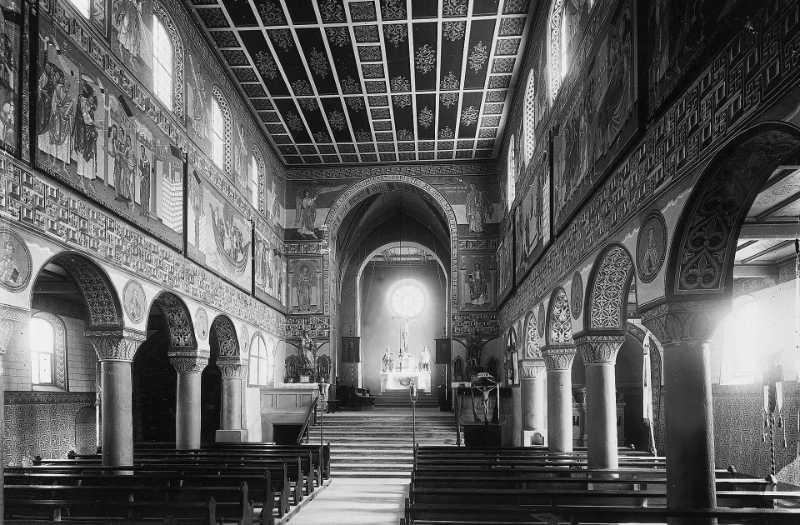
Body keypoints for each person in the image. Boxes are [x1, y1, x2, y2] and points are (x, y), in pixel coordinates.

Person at [74, 81, 98, 194]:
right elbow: (83, 120)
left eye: (92, 100)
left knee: (90, 158)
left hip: (89, 139)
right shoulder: (82, 106)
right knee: (81, 156)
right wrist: (92, 125)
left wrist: (94, 133)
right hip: (82, 135)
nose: (91, 101)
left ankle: (89, 183)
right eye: (90, 99)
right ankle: (81, 180)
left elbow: (92, 125)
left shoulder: (91, 110)